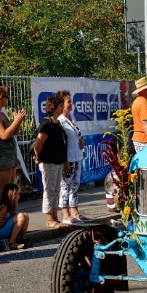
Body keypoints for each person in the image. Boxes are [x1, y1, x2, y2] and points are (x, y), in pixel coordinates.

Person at [33, 95, 68, 228]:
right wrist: (38, 155)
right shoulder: (46, 124)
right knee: (49, 190)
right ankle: (49, 219)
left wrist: (65, 162)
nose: (62, 108)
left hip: (57, 162)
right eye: (60, 106)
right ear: (54, 108)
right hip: (48, 162)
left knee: (56, 190)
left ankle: (54, 216)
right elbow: (39, 142)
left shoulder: (57, 123)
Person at [0, 86, 26, 201]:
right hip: (3, 156)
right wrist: (16, 120)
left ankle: (8, 214)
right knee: (3, 191)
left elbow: (14, 132)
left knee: (11, 190)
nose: (7, 98)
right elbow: (3, 135)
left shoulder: (2, 114)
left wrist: (18, 121)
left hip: (10, 155)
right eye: (5, 96)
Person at [56, 90, 87, 224]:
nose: (71, 103)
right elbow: (61, 143)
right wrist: (65, 161)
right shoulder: (60, 121)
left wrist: (81, 140)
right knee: (65, 186)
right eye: (68, 101)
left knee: (75, 185)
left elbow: (75, 135)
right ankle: (65, 214)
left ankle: (75, 210)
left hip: (77, 156)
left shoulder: (70, 118)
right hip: (67, 158)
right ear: (62, 104)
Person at [0, 183, 31, 250]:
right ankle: (12, 243)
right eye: (18, 194)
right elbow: (0, 223)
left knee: (25, 215)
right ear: (13, 195)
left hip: (3, 229)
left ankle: (23, 239)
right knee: (21, 216)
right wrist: (11, 219)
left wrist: (13, 219)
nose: (19, 196)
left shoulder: (12, 204)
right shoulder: (5, 206)